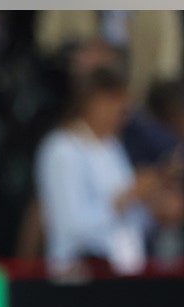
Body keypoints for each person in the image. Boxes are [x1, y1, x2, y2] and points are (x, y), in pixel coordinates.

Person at [34, 62, 167, 278]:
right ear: (96, 102)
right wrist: (126, 197)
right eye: (118, 106)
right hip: (79, 274)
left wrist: (151, 207)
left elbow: (129, 223)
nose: (123, 116)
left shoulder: (112, 147)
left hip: (121, 271)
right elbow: (70, 226)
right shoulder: (61, 149)